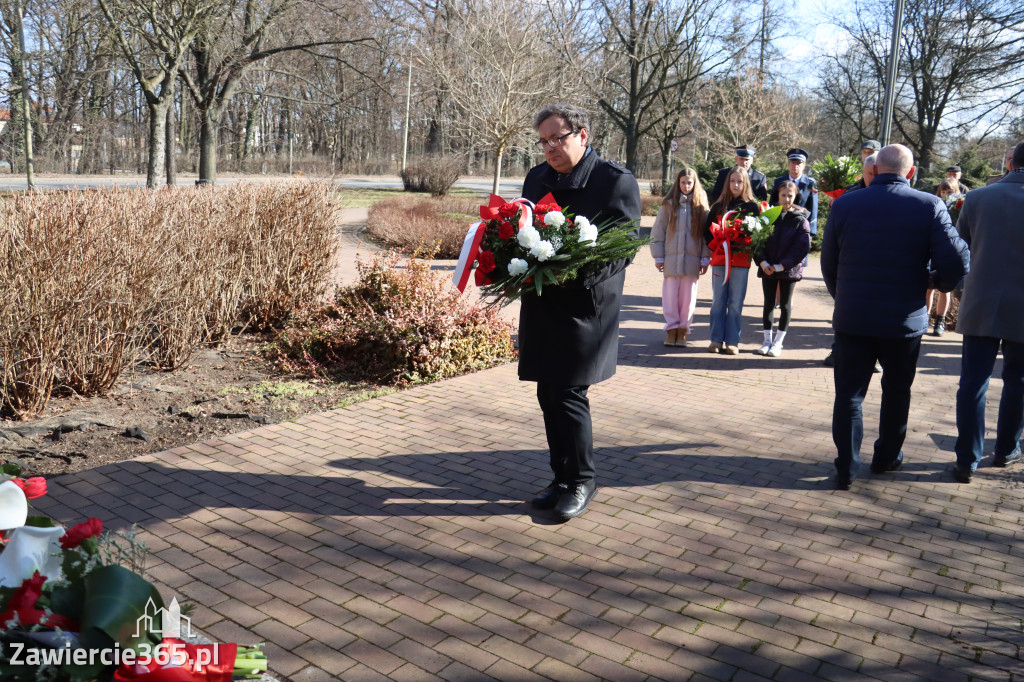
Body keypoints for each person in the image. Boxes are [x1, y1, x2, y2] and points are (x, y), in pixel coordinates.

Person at [821, 144, 969, 491]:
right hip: (904, 320)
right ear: (911, 172)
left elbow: (829, 263)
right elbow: (957, 259)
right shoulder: (928, 205)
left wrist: (844, 298)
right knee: (897, 390)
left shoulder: (845, 204)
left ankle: (846, 466)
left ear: (873, 169)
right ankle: (886, 456)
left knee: (849, 395)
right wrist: (938, 283)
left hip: (854, 317)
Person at [519, 103, 642, 520]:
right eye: (544, 141)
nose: (550, 147)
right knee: (547, 393)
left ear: (583, 135)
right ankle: (559, 477)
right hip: (542, 302)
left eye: (558, 138)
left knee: (569, 393)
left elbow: (623, 248)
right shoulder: (536, 178)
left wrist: (573, 272)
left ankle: (582, 481)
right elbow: (522, 232)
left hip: (585, 308)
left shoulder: (614, 181)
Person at [952, 141, 1024, 483]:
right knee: (1018, 382)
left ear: (1010, 163)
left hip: (981, 299)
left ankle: (967, 458)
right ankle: (1007, 448)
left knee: (973, 381)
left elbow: (962, 246)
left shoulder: (978, 198)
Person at [823, 154, 883, 373]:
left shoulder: (890, 195)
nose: (874, 178)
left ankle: (875, 358)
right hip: (850, 266)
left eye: (878, 173)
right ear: (863, 172)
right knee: (844, 312)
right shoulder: (850, 195)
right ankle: (837, 350)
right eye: (870, 174)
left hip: (878, 267)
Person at [704, 167, 760, 355]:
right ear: (727, 183)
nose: (736, 185)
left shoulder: (751, 207)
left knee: (735, 303)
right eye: (732, 181)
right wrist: (717, 244)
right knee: (718, 301)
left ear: (745, 184)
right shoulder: (718, 206)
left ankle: (732, 341)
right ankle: (715, 339)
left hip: (741, 262)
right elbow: (707, 232)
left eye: (740, 182)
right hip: (720, 259)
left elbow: (757, 235)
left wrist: (743, 241)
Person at [651, 167, 710, 348]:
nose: (686, 186)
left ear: (694, 184)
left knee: (688, 298)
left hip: (692, 260)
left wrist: (705, 258)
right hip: (671, 259)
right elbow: (658, 230)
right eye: (683, 182)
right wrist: (658, 256)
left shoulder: (701, 205)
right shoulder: (669, 204)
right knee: (670, 296)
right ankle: (671, 329)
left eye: (689, 183)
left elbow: (706, 235)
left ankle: (683, 329)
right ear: (678, 183)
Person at [754, 181, 811, 357]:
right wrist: (763, 262)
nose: (786, 199)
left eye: (790, 195)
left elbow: (801, 248)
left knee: (785, 305)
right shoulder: (768, 216)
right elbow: (757, 241)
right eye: (783, 195)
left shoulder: (801, 220)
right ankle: (766, 341)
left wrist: (782, 265)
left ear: (795, 197)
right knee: (768, 304)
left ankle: (778, 342)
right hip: (768, 268)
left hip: (788, 270)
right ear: (777, 196)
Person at [926, 179, 967, 336]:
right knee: (929, 287)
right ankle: (926, 317)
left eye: (949, 191)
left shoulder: (959, 206)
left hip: (949, 251)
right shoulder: (936, 204)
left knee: (945, 289)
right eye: (943, 191)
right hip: (934, 249)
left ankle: (940, 321)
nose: (945, 194)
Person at [770, 148, 818, 237]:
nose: (795, 166)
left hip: (801, 226)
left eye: (799, 163)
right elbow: (773, 204)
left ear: (804, 165)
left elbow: (813, 208)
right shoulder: (779, 182)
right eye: (793, 163)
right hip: (781, 226)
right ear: (788, 164)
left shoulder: (810, 183)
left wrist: (810, 232)